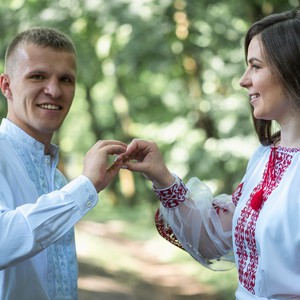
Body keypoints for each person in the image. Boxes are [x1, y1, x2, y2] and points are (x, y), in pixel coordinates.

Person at [117, 8, 300, 300]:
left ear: (292, 68)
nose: (243, 80)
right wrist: (161, 176)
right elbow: (213, 241)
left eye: (255, 66)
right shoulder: (262, 158)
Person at [0, 27, 127, 299]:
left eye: (66, 79)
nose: (54, 90)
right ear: (6, 85)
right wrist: (85, 186)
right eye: (38, 76)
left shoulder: (56, 178)